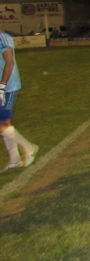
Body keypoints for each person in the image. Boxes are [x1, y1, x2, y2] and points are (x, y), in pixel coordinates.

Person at [0, 31, 38, 172]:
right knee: (5, 124)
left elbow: (9, 62)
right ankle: (15, 160)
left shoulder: (3, 38)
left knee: (2, 125)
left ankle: (29, 147)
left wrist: (2, 86)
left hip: (8, 87)